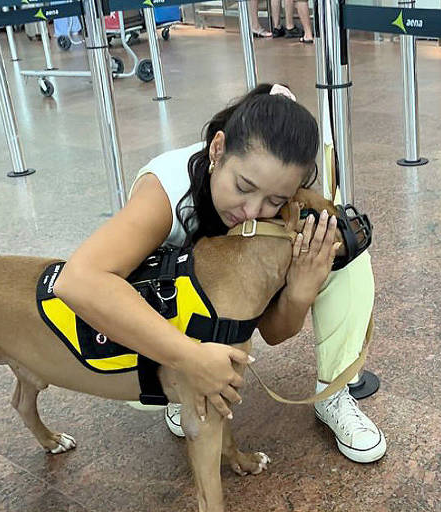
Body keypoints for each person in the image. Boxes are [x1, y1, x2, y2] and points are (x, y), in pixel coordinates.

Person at [54, 83, 386, 463]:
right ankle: (176, 388)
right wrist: (187, 358)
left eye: (274, 201)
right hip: (162, 319)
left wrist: (300, 289)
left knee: (337, 250)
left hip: (223, 320)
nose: (251, 210)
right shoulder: (166, 191)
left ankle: (333, 395)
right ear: (217, 150)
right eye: (243, 187)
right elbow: (76, 280)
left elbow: (270, 331)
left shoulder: (281, 203)